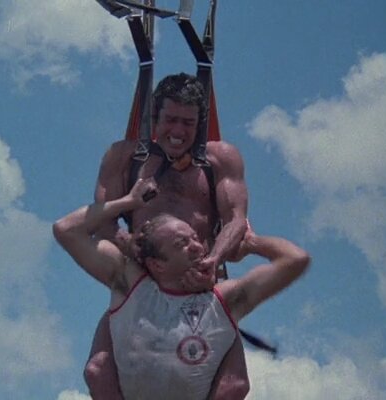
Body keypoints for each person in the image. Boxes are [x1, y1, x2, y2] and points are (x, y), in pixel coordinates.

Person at [53, 179, 311, 400]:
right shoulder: (130, 284)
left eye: (195, 238)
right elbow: (66, 229)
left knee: (235, 386)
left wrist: (251, 243)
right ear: (158, 264)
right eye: (181, 244)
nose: (197, 247)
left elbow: (296, 259)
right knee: (97, 369)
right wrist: (127, 202)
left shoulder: (223, 300)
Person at [90, 73, 250, 398]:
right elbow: (101, 220)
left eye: (188, 123)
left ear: (199, 124)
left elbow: (236, 220)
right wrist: (130, 247)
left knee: (234, 386)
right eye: (170, 120)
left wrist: (212, 260)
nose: (178, 132)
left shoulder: (220, 159)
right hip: (142, 284)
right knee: (98, 371)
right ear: (154, 118)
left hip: (199, 287)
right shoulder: (124, 157)